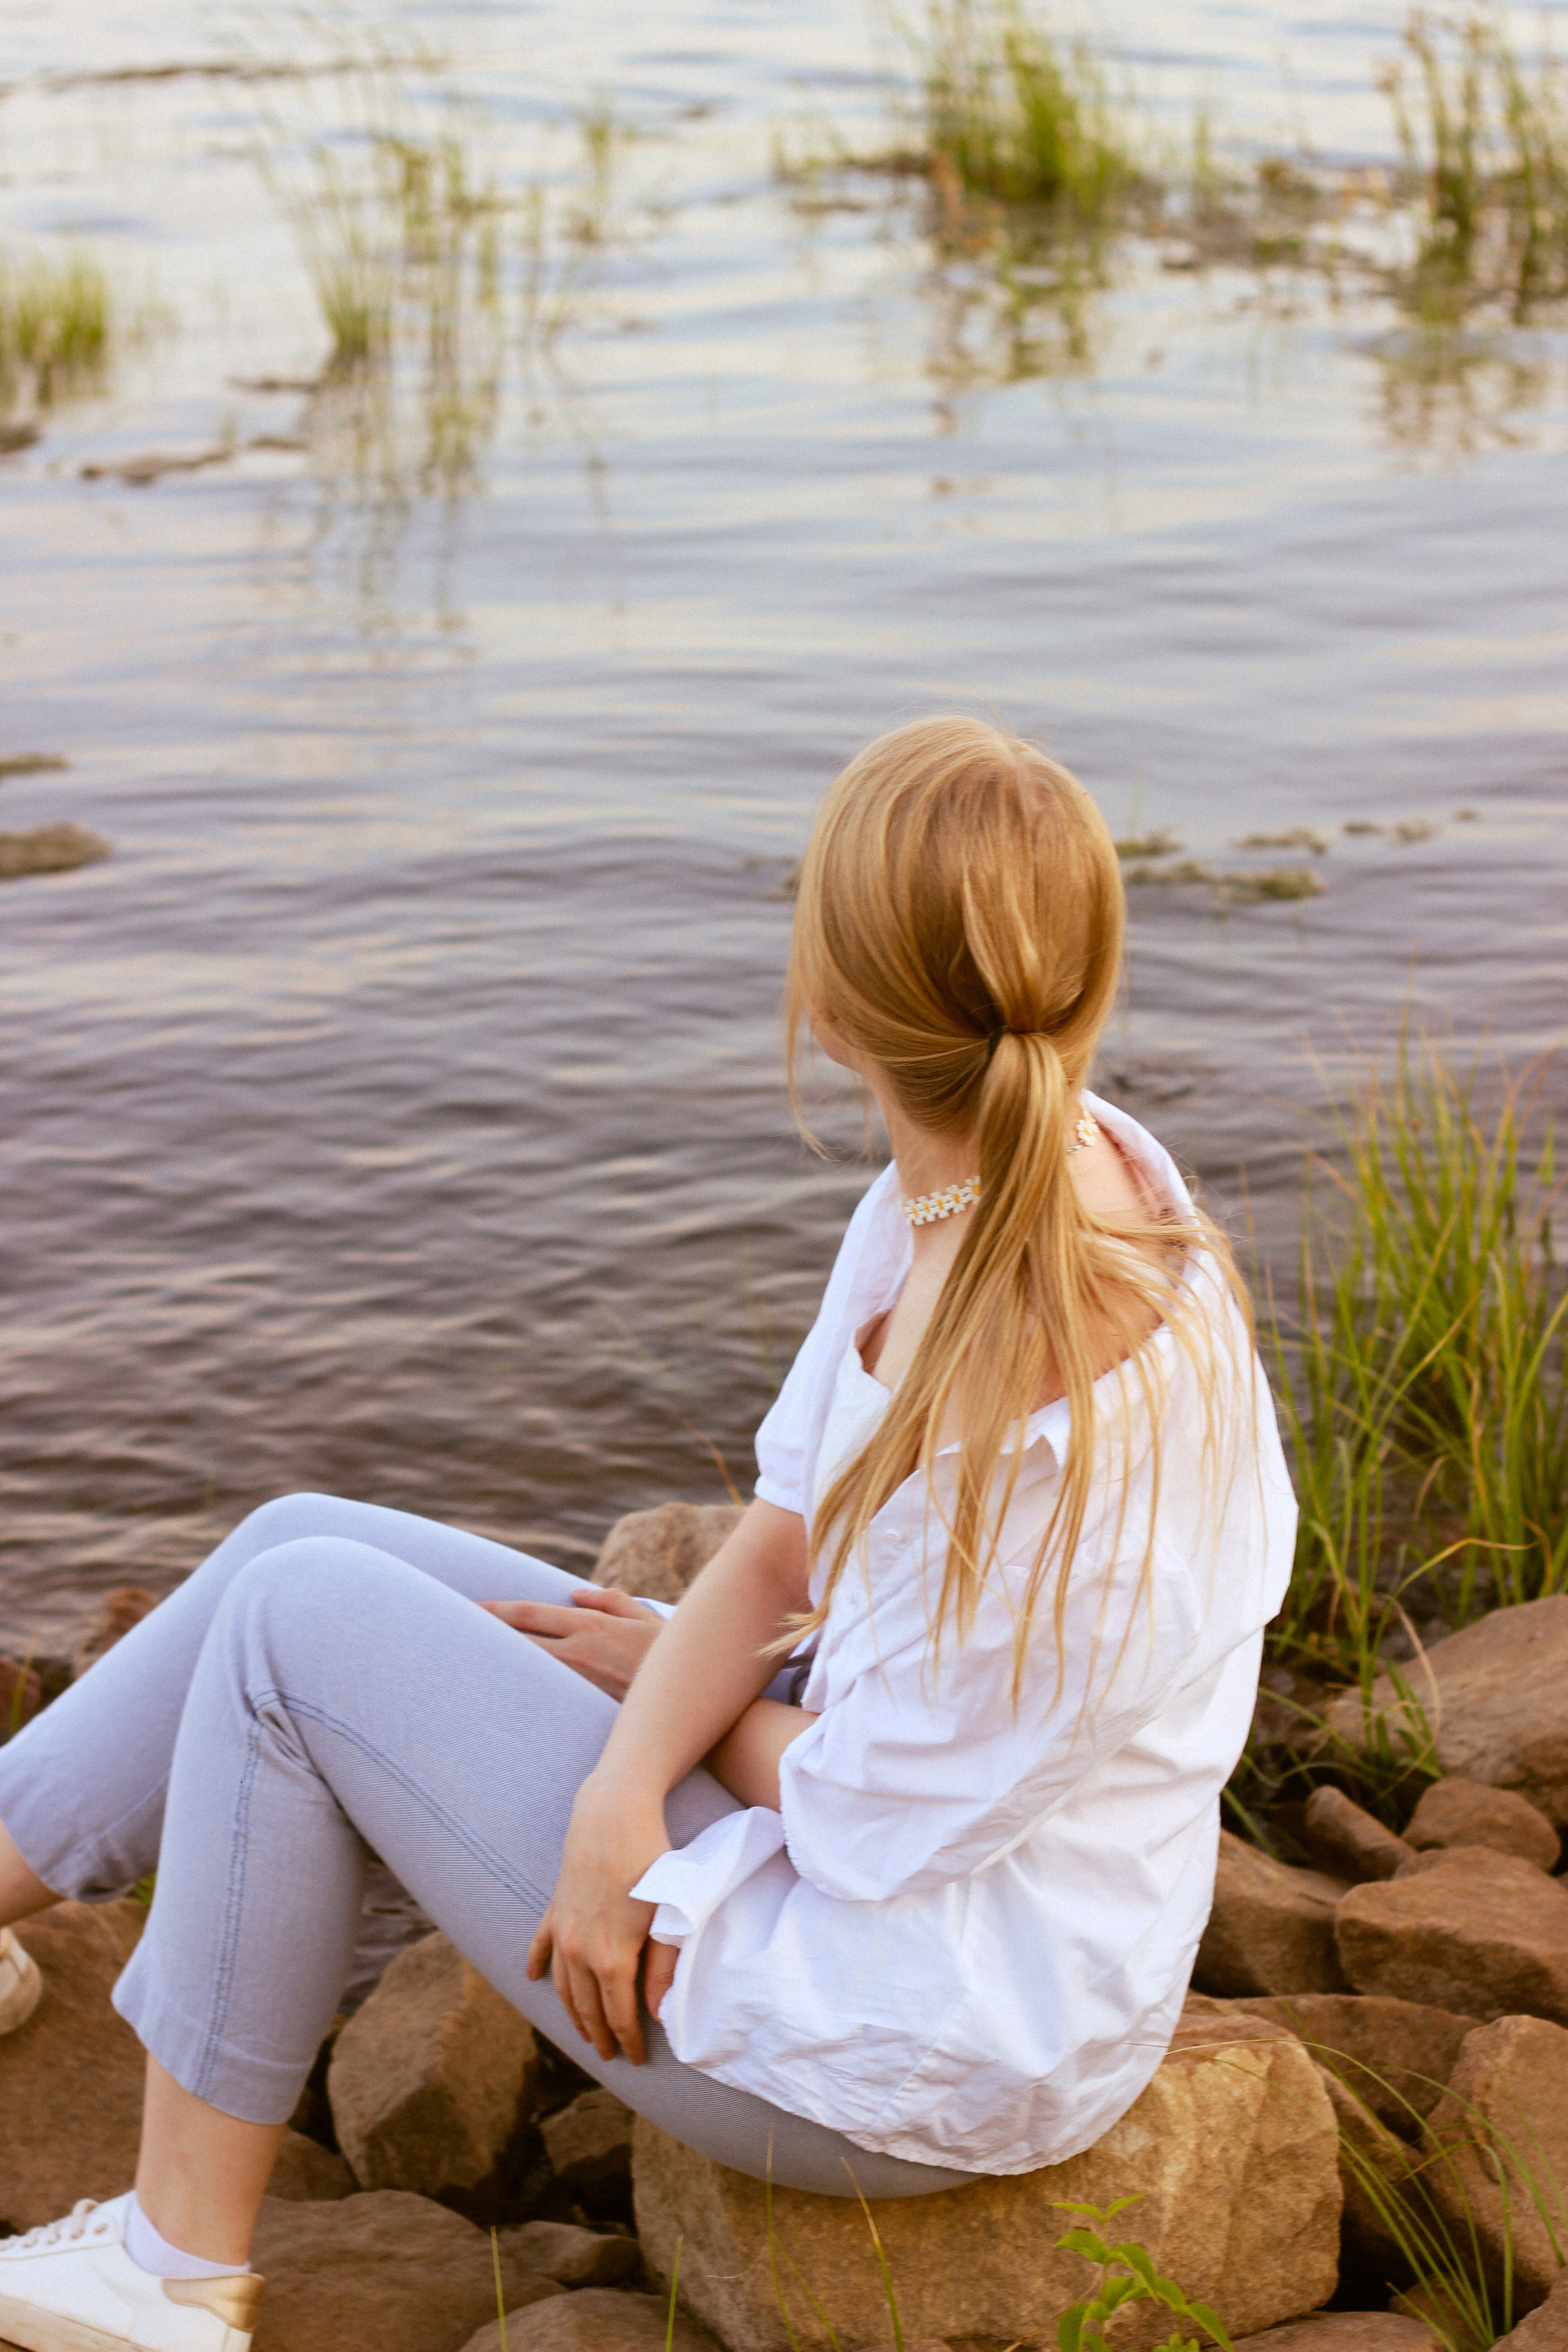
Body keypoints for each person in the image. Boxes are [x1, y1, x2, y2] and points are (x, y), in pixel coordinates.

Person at [0, 715, 1296, 2352]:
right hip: (880, 1846)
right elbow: (777, 1551)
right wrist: (634, 1759)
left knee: (293, 1638)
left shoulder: (1059, 1378)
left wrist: (670, 1757)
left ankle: (169, 2272)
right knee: (299, 1538)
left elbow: (883, 1816)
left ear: (831, 1008)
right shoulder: (1000, 1182)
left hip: (922, 2039)